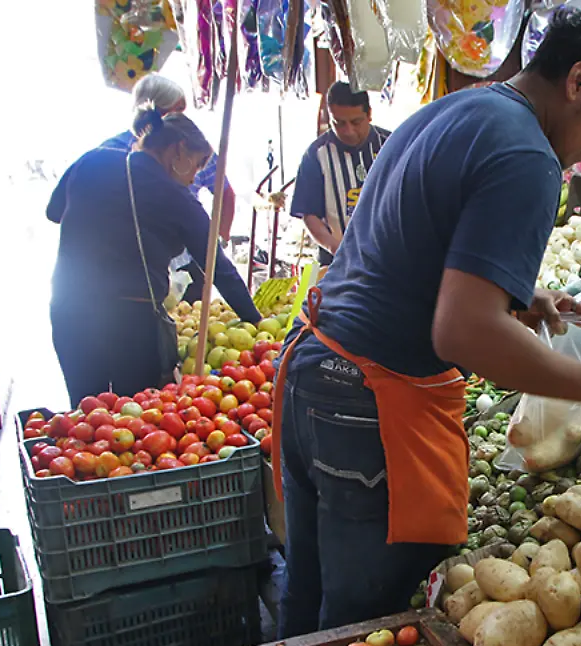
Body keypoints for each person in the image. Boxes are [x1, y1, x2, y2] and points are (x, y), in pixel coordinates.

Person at [270, 5, 581, 637]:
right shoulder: (529, 157)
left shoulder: (458, 109)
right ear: (578, 81)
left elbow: (412, 245)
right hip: (369, 403)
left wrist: (523, 296)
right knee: (366, 628)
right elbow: (462, 333)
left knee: (308, 605)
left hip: (310, 374)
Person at [47, 108, 262, 408]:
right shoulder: (177, 198)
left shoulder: (93, 160)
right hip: (130, 323)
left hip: (69, 309)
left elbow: (53, 212)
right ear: (179, 150)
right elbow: (218, 268)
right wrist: (256, 322)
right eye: (198, 166)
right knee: (136, 421)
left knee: (87, 417)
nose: (194, 178)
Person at [100, 74, 237, 303]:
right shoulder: (115, 153)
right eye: (175, 111)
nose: (180, 118)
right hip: (132, 270)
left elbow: (225, 193)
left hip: (187, 260)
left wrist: (219, 238)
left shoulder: (193, 145)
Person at [289, 83, 390, 266]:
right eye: (339, 123)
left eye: (356, 122)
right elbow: (309, 214)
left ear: (369, 115)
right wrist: (336, 248)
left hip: (388, 257)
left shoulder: (392, 145)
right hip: (337, 261)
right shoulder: (316, 155)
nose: (348, 131)